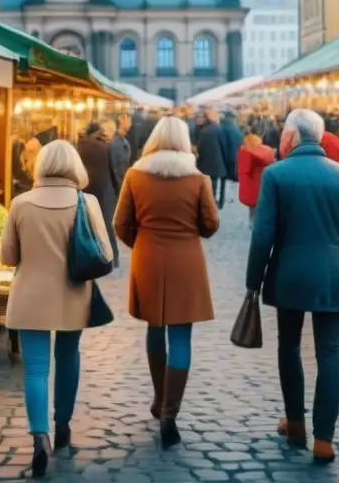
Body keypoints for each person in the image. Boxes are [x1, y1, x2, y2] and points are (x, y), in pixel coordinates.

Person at [246, 109, 339, 464]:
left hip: (290, 274)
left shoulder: (276, 174)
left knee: (289, 347)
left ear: (292, 138)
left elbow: (262, 235)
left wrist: (253, 282)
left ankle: (297, 423)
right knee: (329, 353)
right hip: (334, 275)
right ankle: (324, 439)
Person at [1, 140, 114, 476]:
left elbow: (8, 257)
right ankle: (63, 426)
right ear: (75, 167)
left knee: (35, 369)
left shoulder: (20, 203)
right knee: (68, 359)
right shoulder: (88, 202)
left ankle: (40, 438)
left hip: (29, 298)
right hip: (73, 294)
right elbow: (105, 253)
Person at [113, 117, 219, 449]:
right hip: (186, 261)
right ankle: (170, 414)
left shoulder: (135, 175)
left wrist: (141, 243)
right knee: (181, 337)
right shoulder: (198, 178)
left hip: (148, 259)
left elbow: (120, 223)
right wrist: (190, 233)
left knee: (154, 328)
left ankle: (160, 400)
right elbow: (211, 223)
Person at [77, 121, 119, 268]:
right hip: (104, 189)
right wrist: (116, 189)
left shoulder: (79, 145)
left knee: (86, 223)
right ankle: (112, 258)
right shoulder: (106, 147)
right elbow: (113, 171)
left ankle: (89, 257)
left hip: (86, 187)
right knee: (106, 225)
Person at [237, 127, 275, 225]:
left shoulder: (246, 152)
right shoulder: (267, 151)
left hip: (251, 183)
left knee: (252, 206)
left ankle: (252, 222)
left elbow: (245, 169)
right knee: (262, 204)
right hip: (263, 181)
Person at [196, 107, 228, 208]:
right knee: (214, 184)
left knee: (205, 184)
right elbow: (224, 145)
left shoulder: (204, 130)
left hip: (204, 162)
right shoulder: (219, 129)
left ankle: (205, 201)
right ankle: (211, 202)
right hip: (216, 162)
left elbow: (199, 147)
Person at [219, 110, 244, 197]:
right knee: (233, 180)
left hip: (227, 158)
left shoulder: (223, 128)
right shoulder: (236, 128)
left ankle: (222, 200)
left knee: (224, 180)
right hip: (236, 157)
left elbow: (223, 144)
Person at [109, 115, 132, 196]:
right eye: (129, 120)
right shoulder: (117, 143)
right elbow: (118, 170)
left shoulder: (123, 141)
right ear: (122, 122)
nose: (130, 124)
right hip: (118, 190)